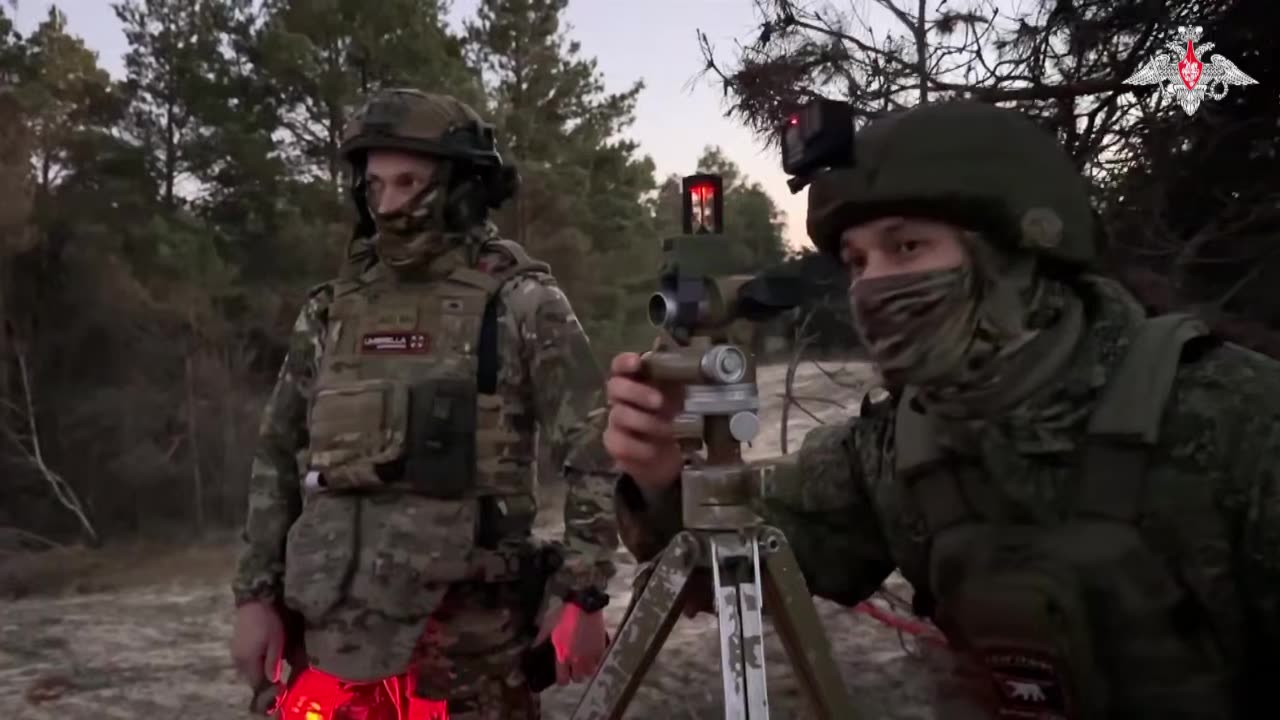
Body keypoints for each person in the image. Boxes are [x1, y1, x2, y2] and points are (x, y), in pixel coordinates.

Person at [603, 100, 1280, 719]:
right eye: (857, 261)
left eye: (906, 247)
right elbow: (741, 560)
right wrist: (662, 474)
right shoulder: (899, 445)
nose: (873, 287)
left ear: (1020, 251)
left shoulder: (1236, 420)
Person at [228, 88, 618, 719]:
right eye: (375, 185)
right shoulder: (330, 310)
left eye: (408, 182)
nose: (388, 204)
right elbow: (276, 459)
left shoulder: (520, 303)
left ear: (461, 188)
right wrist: (255, 597)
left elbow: (596, 451)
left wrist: (583, 595)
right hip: (331, 639)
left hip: (470, 655)